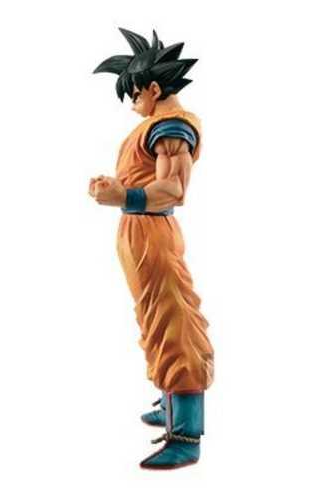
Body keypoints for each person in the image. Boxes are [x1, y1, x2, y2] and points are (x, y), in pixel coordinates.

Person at [88, 27, 214, 470]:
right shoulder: (152, 128)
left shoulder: (171, 128)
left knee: (174, 321)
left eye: (134, 93)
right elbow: (145, 179)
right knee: (153, 320)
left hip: (153, 233)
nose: (132, 104)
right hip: (138, 234)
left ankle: (186, 433)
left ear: (154, 89)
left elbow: (173, 189)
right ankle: (169, 399)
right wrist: (117, 188)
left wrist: (123, 195)